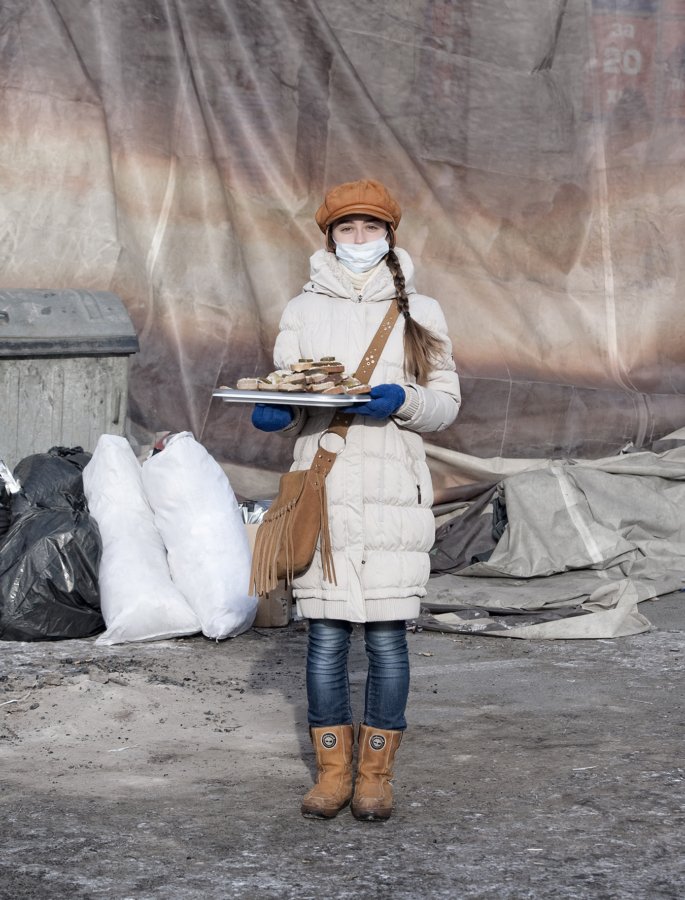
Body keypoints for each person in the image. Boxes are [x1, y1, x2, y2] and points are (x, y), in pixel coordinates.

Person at [251, 179, 461, 821]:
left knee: (389, 642)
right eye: (347, 230)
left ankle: (376, 776)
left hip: (395, 493)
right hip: (325, 489)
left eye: (371, 228)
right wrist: (276, 409)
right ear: (329, 238)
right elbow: (289, 391)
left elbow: (446, 405)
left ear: (389, 235)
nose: (359, 240)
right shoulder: (301, 311)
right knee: (326, 639)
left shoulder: (420, 310)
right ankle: (332, 773)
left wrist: (406, 400)